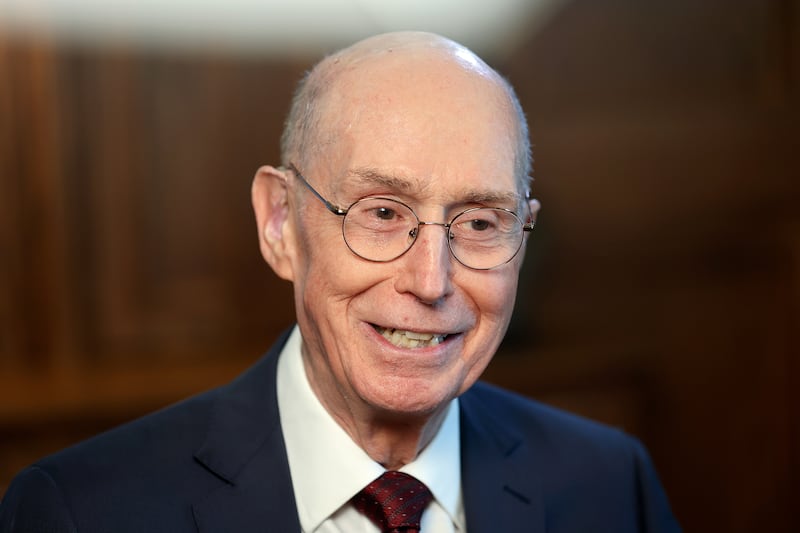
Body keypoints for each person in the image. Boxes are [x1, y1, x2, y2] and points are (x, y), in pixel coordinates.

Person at [0, 31, 681, 532]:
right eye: (383, 213)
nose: (430, 280)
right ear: (280, 224)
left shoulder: (609, 485)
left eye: (479, 222)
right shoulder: (80, 513)